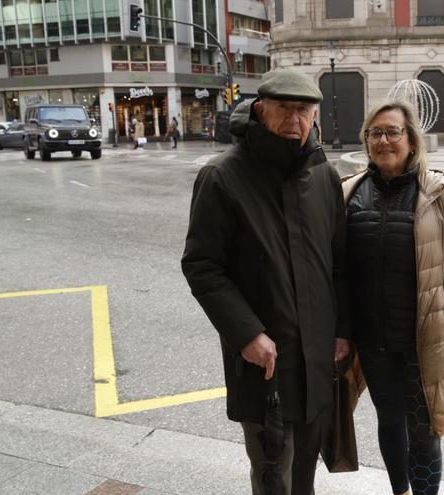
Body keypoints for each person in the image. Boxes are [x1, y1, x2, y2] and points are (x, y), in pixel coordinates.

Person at [182, 68, 350, 495]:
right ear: (260, 109)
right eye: (284, 109)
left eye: (303, 111)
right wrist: (246, 334)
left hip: (315, 361)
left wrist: (342, 331)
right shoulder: (222, 177)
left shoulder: (324, 176)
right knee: (273, 477)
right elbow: (202, 265)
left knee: (304, 477)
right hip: (265, 363)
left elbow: (339, 262)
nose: (294, 120)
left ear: (315, 117)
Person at [342, 100, 444, 495]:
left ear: (411, 141)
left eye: (393, 132)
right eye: (375, 133)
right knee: (389, 419)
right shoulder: (349, 192)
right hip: (373, 339)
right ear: (366, 141)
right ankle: (400, 491)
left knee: (424, 429)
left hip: (422, 340)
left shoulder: (438, 192)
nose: (384, 140)